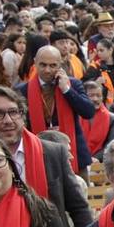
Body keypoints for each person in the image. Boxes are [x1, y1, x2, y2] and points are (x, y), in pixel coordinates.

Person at [0, 87, 92, 227]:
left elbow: (78, 208)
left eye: (13, 112)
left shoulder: (53, 153)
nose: (8, 120)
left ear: (22, 116)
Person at [16, 45, 95, 174]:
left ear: (60, 64)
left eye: (53, 66)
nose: (47, 70)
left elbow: (88, 112)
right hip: (38, 154)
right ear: (35, 62)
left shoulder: (72, 84)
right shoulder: (22, 90)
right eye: (43, 65)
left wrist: (67, 90)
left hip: (73, 154)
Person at [80, 77, 114, 158]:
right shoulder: (75, 116)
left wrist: (94, 159)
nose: (95, 99)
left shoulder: (113, 119)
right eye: (91, 95)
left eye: (98, 96)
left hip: (100, 163)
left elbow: (111, 146)